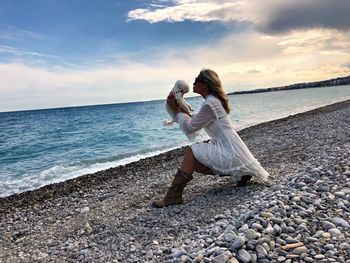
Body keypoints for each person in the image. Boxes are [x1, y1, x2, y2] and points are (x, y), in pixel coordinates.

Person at [153, 68, 269, 208]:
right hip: (232, 147)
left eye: (197, 81)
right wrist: (178, 107)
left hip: (229, 149)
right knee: (194, 160)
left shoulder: (210, 104)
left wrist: (176, 112)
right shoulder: (213, 101)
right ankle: (242, 172)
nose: (193, 84)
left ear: (205, 85)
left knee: (192, 152)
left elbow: (190, 127)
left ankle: (173, 196)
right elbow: (194, 121)